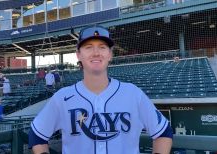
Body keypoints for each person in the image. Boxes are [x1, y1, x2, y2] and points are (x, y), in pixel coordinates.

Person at [29, 25, 173, 154]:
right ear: (78, 55)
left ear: (110, 54)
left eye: (102, 47)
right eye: (88, 47)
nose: (96, 53)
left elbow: (163, 133)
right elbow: (37, 135)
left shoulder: (133, 94)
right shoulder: (62, 97)